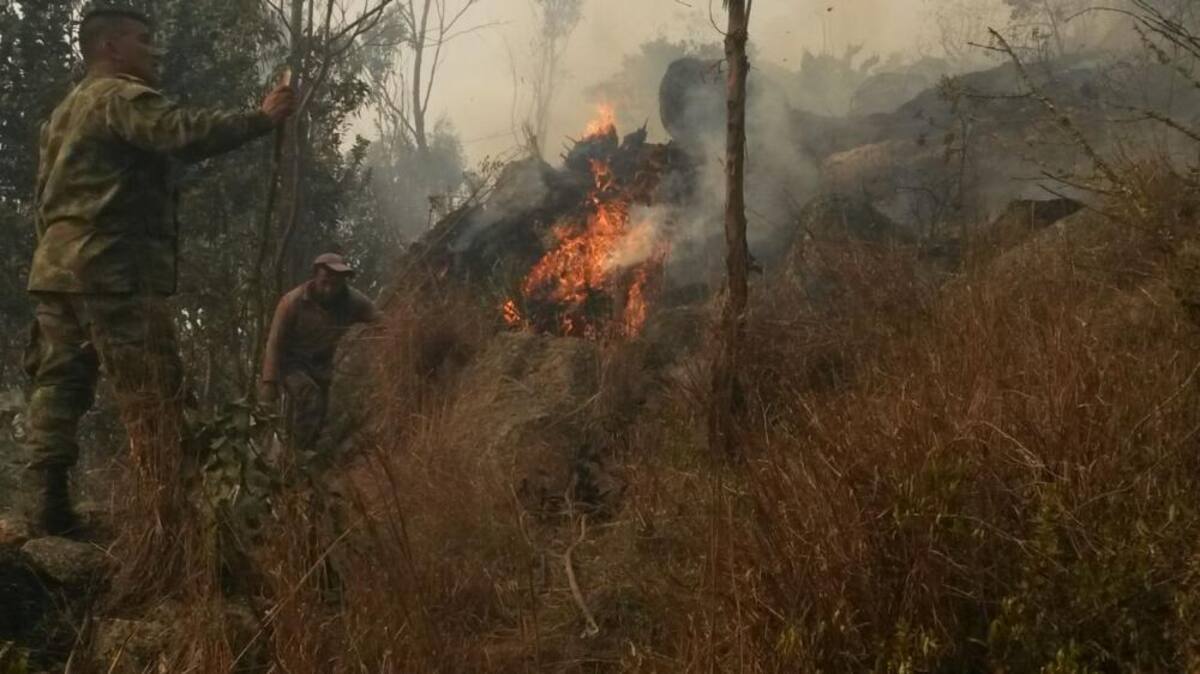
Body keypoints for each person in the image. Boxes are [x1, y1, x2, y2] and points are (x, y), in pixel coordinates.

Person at [22, 6, 296, 535]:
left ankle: (45, 507)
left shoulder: (61, 114)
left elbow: (43, 199)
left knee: (58, 388)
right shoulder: (120, 97)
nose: (156, 51)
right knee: (153, 394)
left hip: (56, 274)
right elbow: (181, 133)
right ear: (112, 48)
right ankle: (170, 526)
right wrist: (261, 119)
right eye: (145, 41)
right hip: (112, 274)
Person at [259, 254, 380, 455]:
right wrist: (269, 382)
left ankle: (303, 456)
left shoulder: (352, 300)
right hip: (291, 363)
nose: (330, 289)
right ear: (315, 276)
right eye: (325, 282)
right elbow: (274, 343)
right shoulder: (292, 302)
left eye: (336, 284)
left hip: (322, 365)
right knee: (310, 397)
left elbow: (379, 318)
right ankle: (295, 459)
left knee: (319, 415)